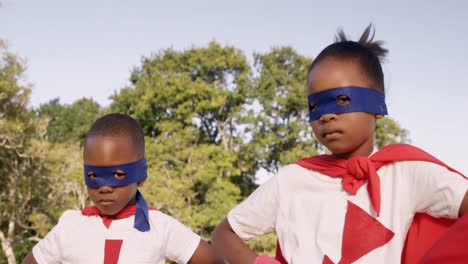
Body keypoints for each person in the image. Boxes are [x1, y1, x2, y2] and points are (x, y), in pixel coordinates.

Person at [211, 25, 468, 264]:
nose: (326, 115)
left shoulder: (406, 172)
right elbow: (224, 234)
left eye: (342, 99)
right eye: (315, 105)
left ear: (378, 104)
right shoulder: (291, 181)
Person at [22, 113, 222, 264]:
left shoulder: (160, 227)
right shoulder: (69, 226)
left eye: (118, 175)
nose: (105, 187)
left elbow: (213, 261)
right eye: (93, 176)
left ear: (141, 176)